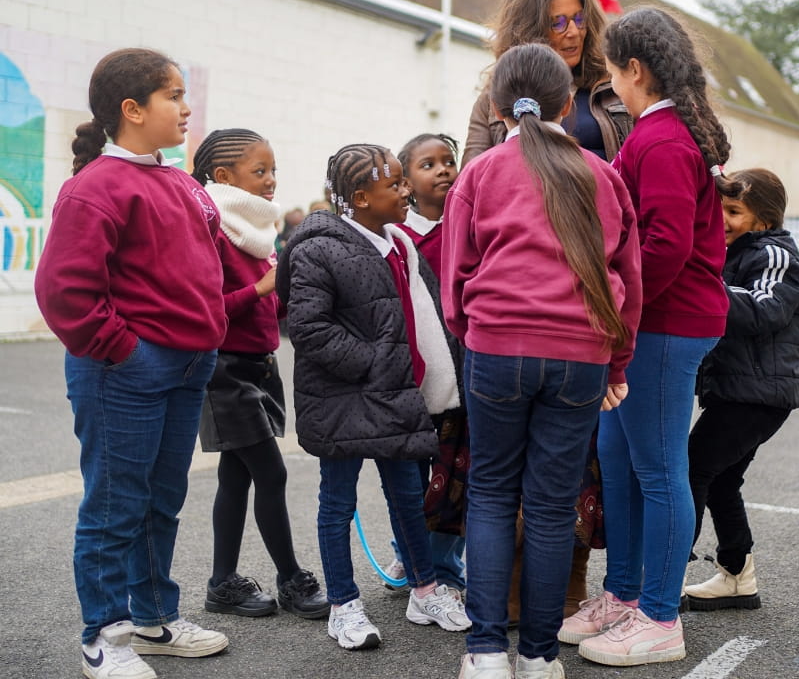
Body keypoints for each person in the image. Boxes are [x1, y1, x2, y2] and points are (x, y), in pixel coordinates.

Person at [441, 42, 642, 679]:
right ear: (568, 104)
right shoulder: (602, 175)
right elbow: (626, 279)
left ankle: (486, 653)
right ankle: (540, 656)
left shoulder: (481, 173)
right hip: (580, 353)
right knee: (553, 506)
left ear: (496, 108)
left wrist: (470, 335)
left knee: (493, 494)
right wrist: (616, 365)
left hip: (497, 347)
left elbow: (456, 276)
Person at [33, 48, 229, 679]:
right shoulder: (95, 189)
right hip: (127, 372)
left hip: (187, 367)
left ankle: (151, 621)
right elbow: (65, 293)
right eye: (173, 95)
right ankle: (105, 636)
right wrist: (125, 350)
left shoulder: (177, 181)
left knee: (161, 501)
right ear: (132, 109)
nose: (186, 106)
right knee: (116, 505)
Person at [564, 6, 738, 667]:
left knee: (659, 471)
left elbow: (663, 247)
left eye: (611, 72)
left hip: (664, 326)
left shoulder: (663, 140)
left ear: (635, 70)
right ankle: (628, 594)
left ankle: (660, 618)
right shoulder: (658, 132)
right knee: (622, 461)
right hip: (653, 324)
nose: (610, 83)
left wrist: (615, 320)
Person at [462, 0, 633, 615]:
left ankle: (566, 590)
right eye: (556, 20)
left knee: (576, 467)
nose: (570, 31)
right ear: (531, 24)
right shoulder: (495, 95)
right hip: (513, 302)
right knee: (501, 475)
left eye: (579, 18)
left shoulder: (611, 91)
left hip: (585, 302)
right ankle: (504, 600)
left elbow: (629, 203)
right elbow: (472, 187)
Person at [275, 144, 471, 651]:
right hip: (344, 400)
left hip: (391, 394)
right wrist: (375, 363)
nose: (406, 191)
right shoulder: (320, 246)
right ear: (360, 198)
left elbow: (422, 315)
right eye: (395, 185)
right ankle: (344, 605)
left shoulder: (396, 242)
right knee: (337, 502)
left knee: (407, 494)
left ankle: (425, 589)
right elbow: (309, 327)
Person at [190, 128, 329, 622]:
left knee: (236, 477)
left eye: (274, 170)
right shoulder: (211, 228)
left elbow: (272, 297)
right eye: (260, 171)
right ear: (224, 177)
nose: (272, 181)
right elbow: (205, 309)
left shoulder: (255, 229)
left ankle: (221, 583)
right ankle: (291, 579)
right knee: (271, 472)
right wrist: (263, 288)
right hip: (225, 370)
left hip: (260, 364)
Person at [685, 168, 799, 610]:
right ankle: (737, 575)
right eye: (720, 210)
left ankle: (664, 576)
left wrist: (704, 285)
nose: (724, 219)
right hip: (738, 389)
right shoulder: (731, 252)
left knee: (695, 469)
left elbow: (765, 310)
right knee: (722, 479)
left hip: (760, 395)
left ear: (766, 219)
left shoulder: (775, 254)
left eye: (734, 212)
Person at [380, 132, 468, 594]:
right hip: (412, 374)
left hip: (462, 371)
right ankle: (408, 553)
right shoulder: (396, 236)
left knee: (452, 476)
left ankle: (444, 568)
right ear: (406, 183)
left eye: (448, 161)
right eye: (428, 164)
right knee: (407, 477)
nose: (443, 170)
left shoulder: (466, 225)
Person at [462, 0, 631, 168]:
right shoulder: (493, 99)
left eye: (579, 19)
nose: (574, 32)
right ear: (530, 29)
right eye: (558, 23)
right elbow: (471, 180)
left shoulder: (615, 85)